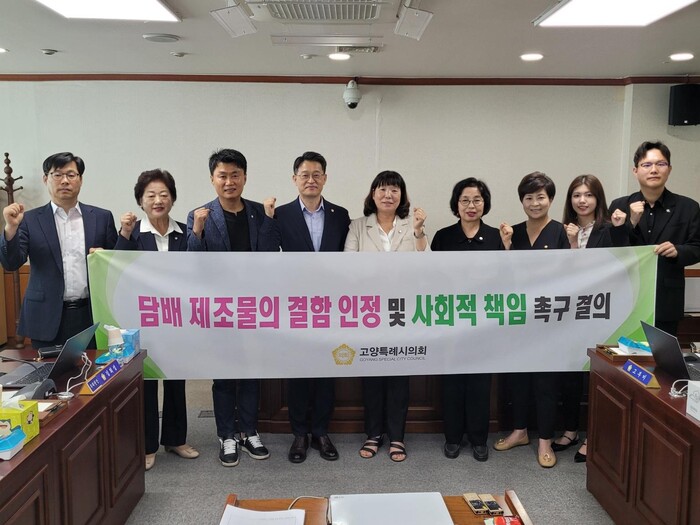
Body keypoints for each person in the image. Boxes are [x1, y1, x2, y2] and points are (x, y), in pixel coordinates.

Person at [259, 151, 350, 464]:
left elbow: (349, 261)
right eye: (305, 175)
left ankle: (321, 432)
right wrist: (267, 219)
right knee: (298, 371)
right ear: (294, 179)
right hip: (295, 307)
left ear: (325, 178)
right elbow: (266, 255)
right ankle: (299, 434)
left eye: (316, 174)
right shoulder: (280, 214)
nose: (311, 180)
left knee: (326, 371)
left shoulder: (340, 215)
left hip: (330, 307)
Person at [187, 148, 274, 467]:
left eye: (235, 175)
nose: (229, 181)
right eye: (222, 175)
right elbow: (191, 263)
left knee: (251, 372)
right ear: (212, 179)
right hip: (219, 308)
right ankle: (226, 434)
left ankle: (249, 431)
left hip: (253, 306)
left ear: (245, 178)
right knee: (224, 375)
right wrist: (197, 229)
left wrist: (269, 219)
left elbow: (270, 253)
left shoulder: (258, 212)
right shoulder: (200, 214)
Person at [116, 169, 199, 471]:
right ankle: (148, 445)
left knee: (176, 380)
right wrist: (124, 234)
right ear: (140, 201)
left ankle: (176, 439)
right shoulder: (132, 233)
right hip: (144, 319)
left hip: (177, 320)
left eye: (164, 194)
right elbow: (117, 268)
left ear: (173, 198)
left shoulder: (184, 233)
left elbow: (196, 269)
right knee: (147, 383)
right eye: (150, 195)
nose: (158, 200)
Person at [344, 170, 428, 462]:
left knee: (399, 376)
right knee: (372, 375)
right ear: (373, 194)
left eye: (394, 190)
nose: (388, 195)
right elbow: (348, 266)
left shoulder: (412, 225)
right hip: (369, 311)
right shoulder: (358, 226)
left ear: (402, 195)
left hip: (402, 311)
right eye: (382, 189)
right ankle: (373, 433)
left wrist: (419, 231)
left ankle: (397, 436)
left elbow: (424, 266)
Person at [0, 152, 117, 348]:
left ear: (80, 180)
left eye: (71, 175)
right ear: (46, 179)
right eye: (57, 175)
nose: (64, 181)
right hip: (45, 316)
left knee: (93, 367)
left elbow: (115, 263)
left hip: (91, 314)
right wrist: (11, 228)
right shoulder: (29, 220)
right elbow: (11, 263)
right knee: (47, 368)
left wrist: (104, 255)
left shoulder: (101, 217)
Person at [497, 171, 568, 468]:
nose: (535, 203)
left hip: (550, 319)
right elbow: (502, 276)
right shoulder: (511, 232)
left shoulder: (561, 231)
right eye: (529, 198)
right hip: (518, 319)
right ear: (522, 201)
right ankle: (520, 431)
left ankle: (545, 441)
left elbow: (570, 274)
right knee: (518, 379)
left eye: (541, 197)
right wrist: (506, 247)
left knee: (546, 382)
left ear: (550, 199)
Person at [432, 178, 503, 462]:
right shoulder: (443, 237)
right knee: (451, 381)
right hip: (450, 321)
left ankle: (478, 438)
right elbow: (431, 278)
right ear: (456, 204)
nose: (471, 206)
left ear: (485, 203)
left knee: (480, 383)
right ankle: (452, 437)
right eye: (465, 200)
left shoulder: (497, 238)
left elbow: (506, 279)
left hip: (484, 323)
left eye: (477, 200)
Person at [609, 141, 700, 337]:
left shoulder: (688, 207)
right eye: (647, 165)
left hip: (666, 301)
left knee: (661, 355)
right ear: (635, 171)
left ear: (669, 169)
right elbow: (612, 251)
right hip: (626, 298)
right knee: (620, 354)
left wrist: (678, 251)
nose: (654, 170)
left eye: (661, 164)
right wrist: (631, 223)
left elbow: (697, 247)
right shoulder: (619, 206)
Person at [555, 174, 613, 463]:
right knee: (570, 375)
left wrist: (575, 245)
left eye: (588, 195)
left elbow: (604, 271)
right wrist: (569, 240)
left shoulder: (609, 230)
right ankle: (570, 430)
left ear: (598, 199)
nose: (582, 200)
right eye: (576, 195)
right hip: (569, 314)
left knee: (596, 376)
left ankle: (594, 436)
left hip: (600, 312)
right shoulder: (562, 230)